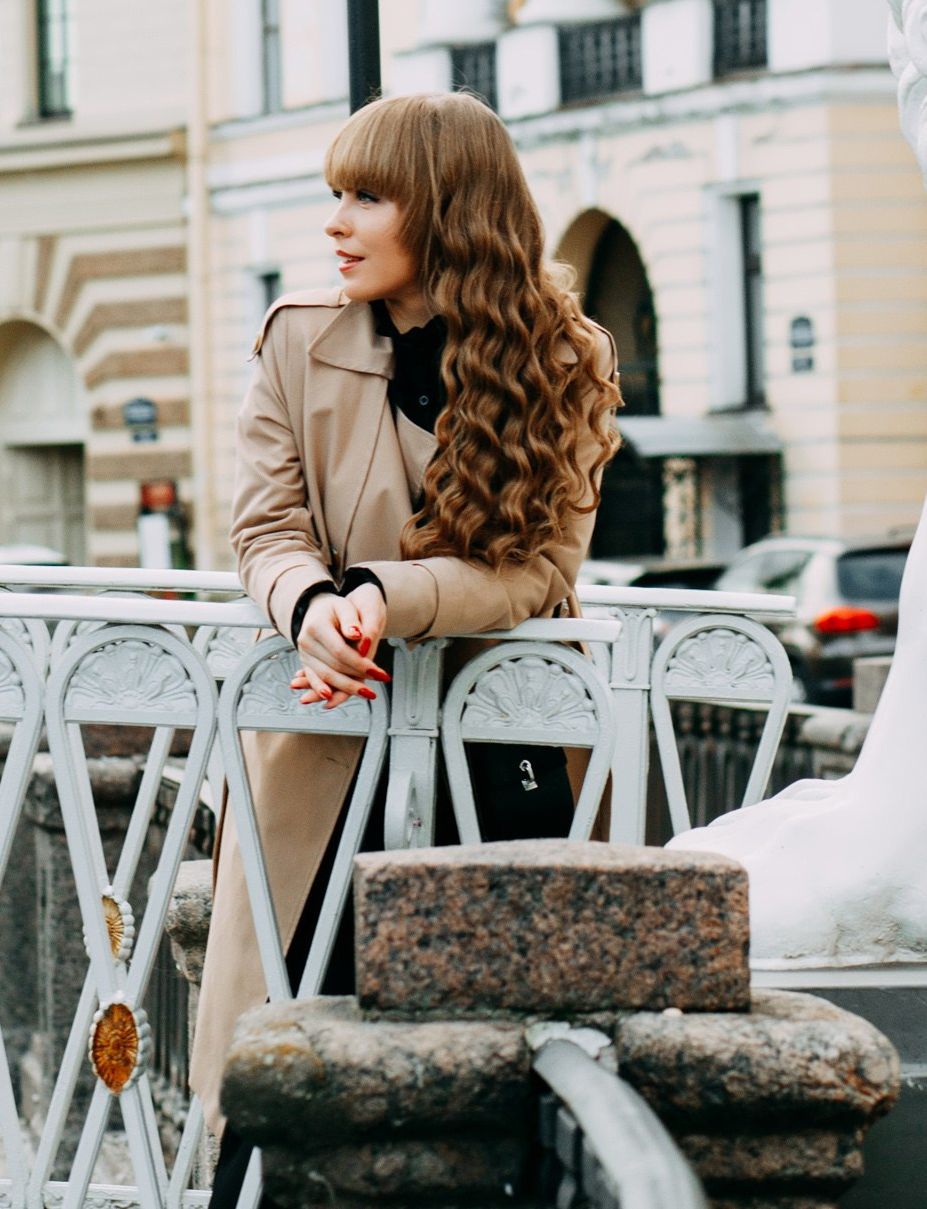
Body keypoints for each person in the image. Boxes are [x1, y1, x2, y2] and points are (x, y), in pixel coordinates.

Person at [194, 91, 620, 1203]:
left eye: (366, 196)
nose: (336, 220)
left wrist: (386, 595)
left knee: (507, 1058)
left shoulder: (564, 358)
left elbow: (539, 570)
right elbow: (263, 529)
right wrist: (308, 608)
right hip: (331, 735)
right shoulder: (298, 340)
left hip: (503, 747)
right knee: (297, 1063)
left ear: (446, 208)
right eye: (334, 193)